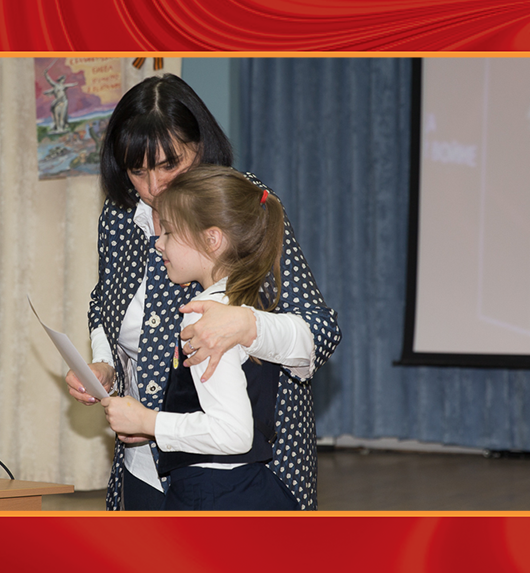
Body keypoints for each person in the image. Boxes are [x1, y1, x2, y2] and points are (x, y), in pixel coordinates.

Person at [65, 74, 339, 511]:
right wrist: (103, 363)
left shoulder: (236, 205)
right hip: (145, 466)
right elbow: (104, 302)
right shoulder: (119, 216)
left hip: (245, 475)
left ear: (201, 146)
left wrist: (248, 325)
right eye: (138, 171)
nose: (154, 188)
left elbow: (320, 331)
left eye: (169, 165)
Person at [101, 165, 297, 510]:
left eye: (169, 232)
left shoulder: (206, 315)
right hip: (246, 486)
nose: (159, 243)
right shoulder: (251, 299)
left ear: (211, 239)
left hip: (212, 494)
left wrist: (148, 421)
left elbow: (232, 433)